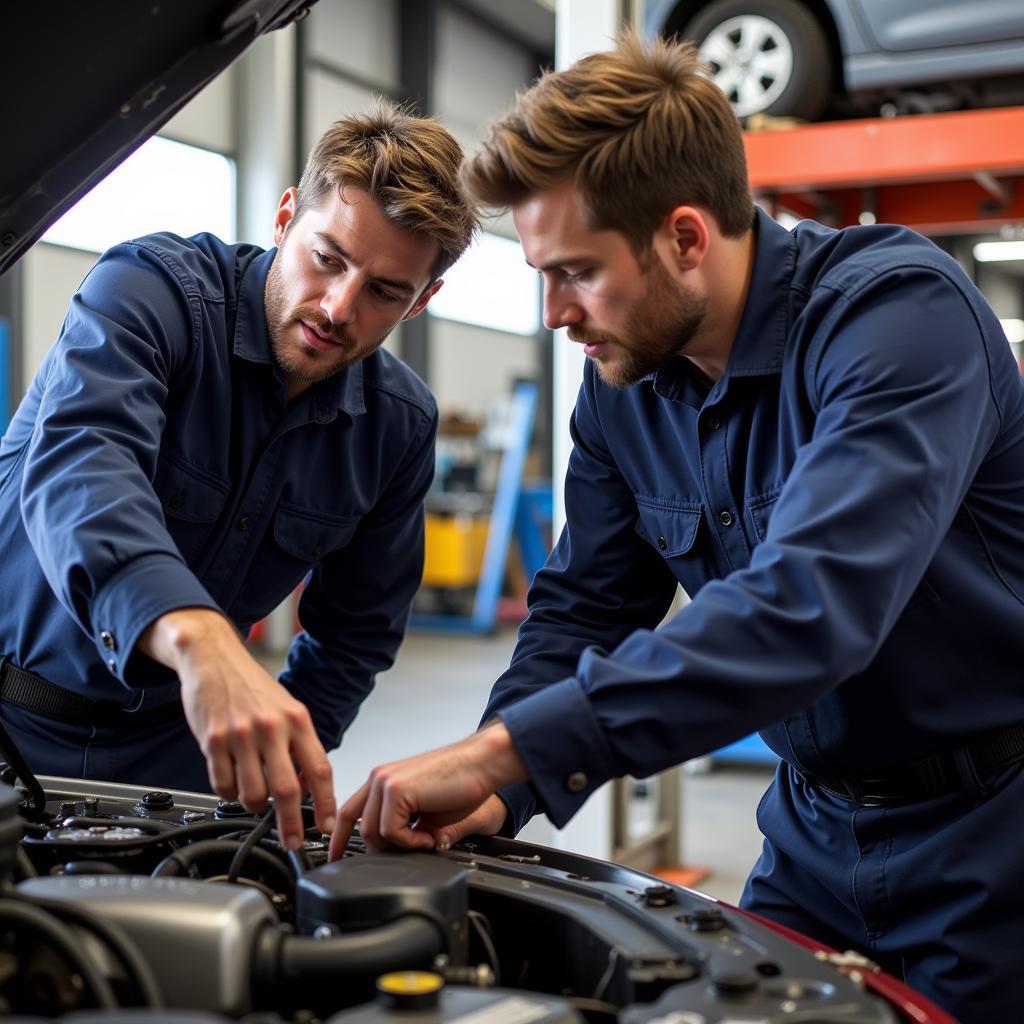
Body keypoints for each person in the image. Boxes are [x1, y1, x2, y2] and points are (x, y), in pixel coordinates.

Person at [332, 33, 1024, 1023]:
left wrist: (513, 752)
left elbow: (810, 607)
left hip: (990, 837)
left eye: (574, 271)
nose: (553, 313)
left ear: (685, 237)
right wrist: (501, 781)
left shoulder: (896, 317)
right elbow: (581, 608)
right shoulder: (621, 386)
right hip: (810, 833)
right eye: (538, 273)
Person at [0, 100, 477, 849]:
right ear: (288, 213)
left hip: (178, 758)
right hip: (12, 720)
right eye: (328, 257)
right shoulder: (148, 292)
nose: (338, 306)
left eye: (386, 291)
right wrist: (202, 640)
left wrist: (281, 753)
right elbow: (83, 468)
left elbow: (355, 633)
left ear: (424, 299)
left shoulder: (398, 428)